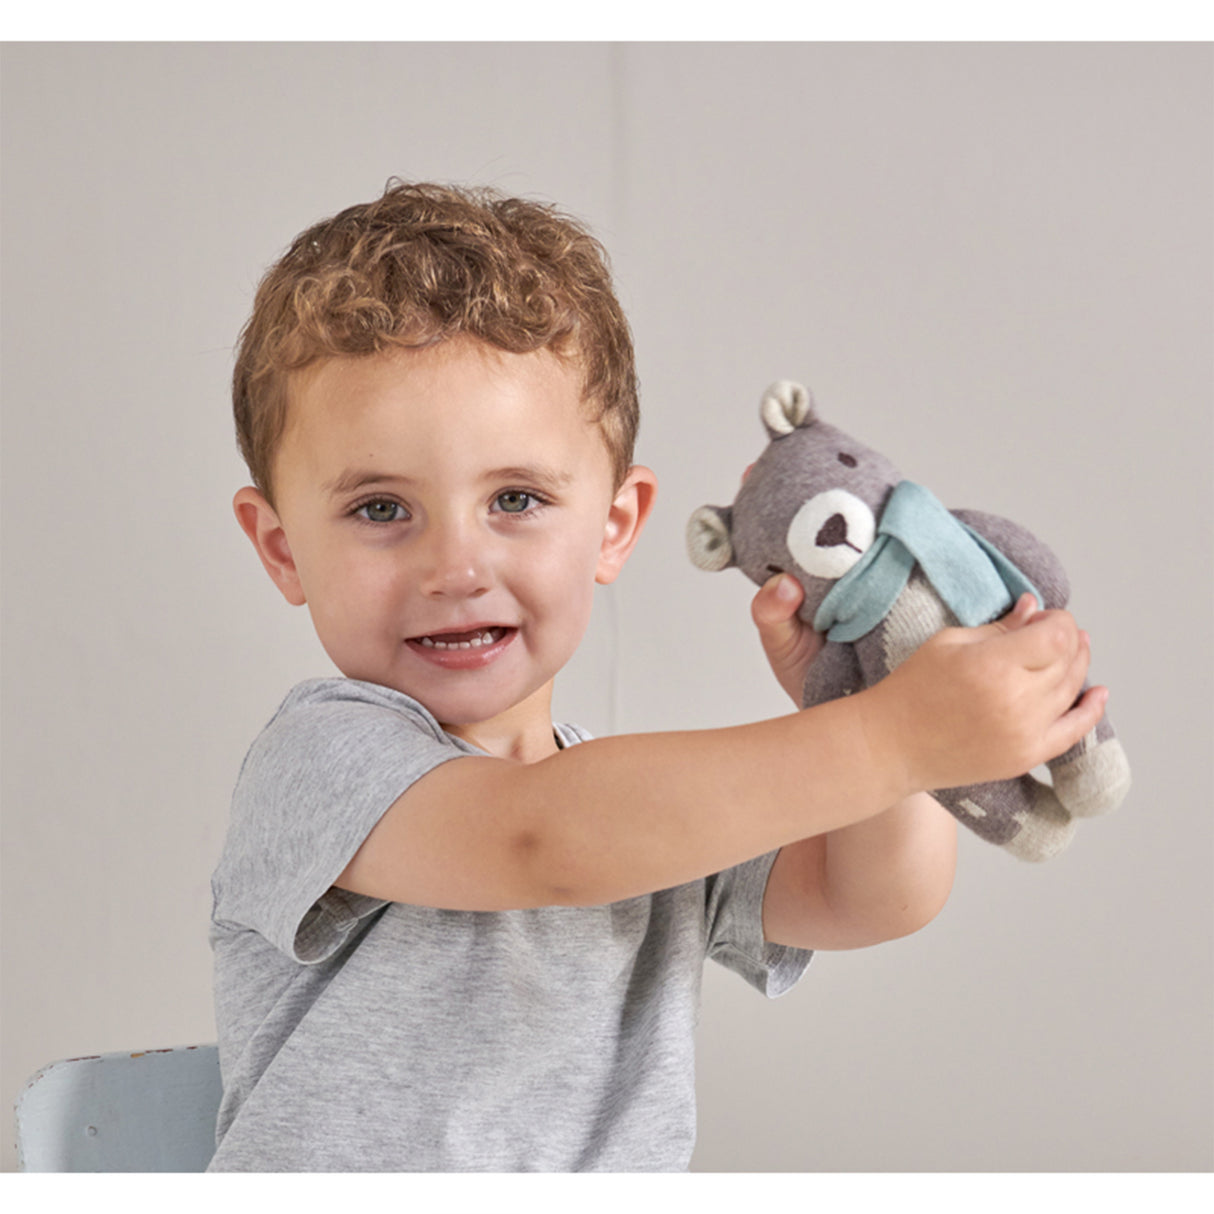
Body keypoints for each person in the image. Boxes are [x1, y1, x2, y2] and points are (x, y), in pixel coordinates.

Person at [208, 180, 1105, 1172]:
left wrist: (866, 688)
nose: (454, 567)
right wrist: (894, 733)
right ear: (282, 546)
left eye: (515, 497)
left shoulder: (648, 809)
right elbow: (539, 837)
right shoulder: (320, 756)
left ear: (614, 525)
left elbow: (870, 897)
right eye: (380, 508)